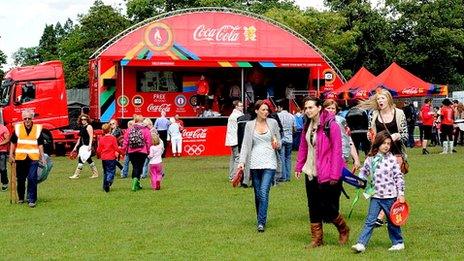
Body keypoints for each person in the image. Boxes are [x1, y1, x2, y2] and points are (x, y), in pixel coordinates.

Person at [294, 97, 349, 248]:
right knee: (312, 205)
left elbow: (337, 151)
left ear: (319, 108)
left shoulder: (332, 125)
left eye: (311, 107)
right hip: (310, 171)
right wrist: (299, 166)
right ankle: (317, 239)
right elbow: (303, 147)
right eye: (306, 108)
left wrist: (334, 174)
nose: (307, 110)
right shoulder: (308, 125)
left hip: (327, 172)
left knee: (328, 207)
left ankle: (343, 229)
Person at [358, 88, 408, 227]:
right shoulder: (374, 114)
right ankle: (386, 213)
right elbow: (371, 132)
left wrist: (396, 135)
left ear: (389, 99)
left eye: (382, 98)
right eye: (378, 99)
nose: (380, 101)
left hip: (395, 153)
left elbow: (405, 135)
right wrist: (370, 136)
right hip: (378, 154)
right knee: (379, 182)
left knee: (393, 183)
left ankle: (382, 215)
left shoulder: (399, 113)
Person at [351, 131, 406, 253]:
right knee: (370, 221)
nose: (386, 146)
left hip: (390, 197)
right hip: (375, 196)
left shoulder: (392, 159)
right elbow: (364, 172)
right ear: (378, 143)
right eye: (383, 143)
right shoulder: (371, 159)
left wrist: (401, 194)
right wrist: (360, 180)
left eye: (388, 143)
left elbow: (399, 177)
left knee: (392, 221)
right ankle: (361, 243)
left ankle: (398, 242)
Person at [238, 100, 281, 232]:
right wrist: (241, 162)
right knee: (257, 193)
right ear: (256, 111)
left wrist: (277, 144)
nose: (266, 112)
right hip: (254, 162)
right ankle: (260, 217)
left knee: (263, 191)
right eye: (263, 110)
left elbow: (279, 141)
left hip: (270, 161)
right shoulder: (250, 125)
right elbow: (245, 145)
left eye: (267, 110)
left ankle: (261, 222)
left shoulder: (273, 123)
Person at [9, 109, 46, 207]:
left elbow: (40, 144)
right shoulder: (18, 128)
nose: (27, 120)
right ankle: (21, 197)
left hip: (33, 157)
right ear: (22, 119)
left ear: (32, 118)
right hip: (20, 157)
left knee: (32, 177)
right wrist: (10, 155)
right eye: (25, 118)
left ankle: (31, 199)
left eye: (29, 118)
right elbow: (13, 142)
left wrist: (42, 157)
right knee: (20, 179)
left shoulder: (37, 129)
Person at [323, 99, 361, 170]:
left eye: (333, 108)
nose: (331, 110)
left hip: (340, 158)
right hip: (323, 159)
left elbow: (349, 141)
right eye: (328, 108)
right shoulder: (319, 122)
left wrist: (356, 159)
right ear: (323, 109)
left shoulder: (342, 121)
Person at [122, 114, 152, 191]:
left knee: (135, 166)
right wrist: (148, 151)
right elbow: (148, 141)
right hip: (142, 151)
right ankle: (136, 182)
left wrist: (124, 149)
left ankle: (136, 183)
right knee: (140, 167)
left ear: (135, 120)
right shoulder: (146, 129)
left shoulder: (130, 129)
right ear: (142, 120)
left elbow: (125, 140)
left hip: (131, 151)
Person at [69, 114, 98, 179]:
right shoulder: (82, 127)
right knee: (88, 159)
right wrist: (75, 147)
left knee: (81, 159)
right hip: (82, 146)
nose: (83, 120)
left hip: (87, 146)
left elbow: (91, 136)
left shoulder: (89, 126)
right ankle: (95, 173)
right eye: (82, 119)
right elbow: (79, 138)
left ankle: (76, 174)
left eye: (85, 119)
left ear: (87, 120)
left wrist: (90, 145)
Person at [96, 123, 122, 192]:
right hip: (111, 157)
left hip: (104, 158)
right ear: (110, 130)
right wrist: (121, 152)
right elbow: (116, 148)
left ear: (103, 130)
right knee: (111, 171)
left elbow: (98, 150)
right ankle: (108, 181)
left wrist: (98, 155)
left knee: (105, 172)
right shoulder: (113, 138)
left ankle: (105, 186)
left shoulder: (101, 139)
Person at [225, 100, 244, 180]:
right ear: (236, 106)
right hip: (236, 139)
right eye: (240, 106)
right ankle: (234, 176)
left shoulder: (232, 115)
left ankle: (231, 175)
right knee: (237, 158)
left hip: (231, 139)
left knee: (233, 158)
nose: (242, 107)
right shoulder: (238, 115)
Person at [276, 102, 295, 182]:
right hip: (290, 139)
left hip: (282, 138)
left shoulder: (279, 116)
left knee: (281, 157)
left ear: (280, 107)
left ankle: (282, 176)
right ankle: (288, 176)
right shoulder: (292, 116)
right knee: (288, 158)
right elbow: (295, 128)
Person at [0, 122, 10, 191]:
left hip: (2, 151)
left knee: (2, 168)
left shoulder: (3, 128)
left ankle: (5, 183)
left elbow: (7, 139)